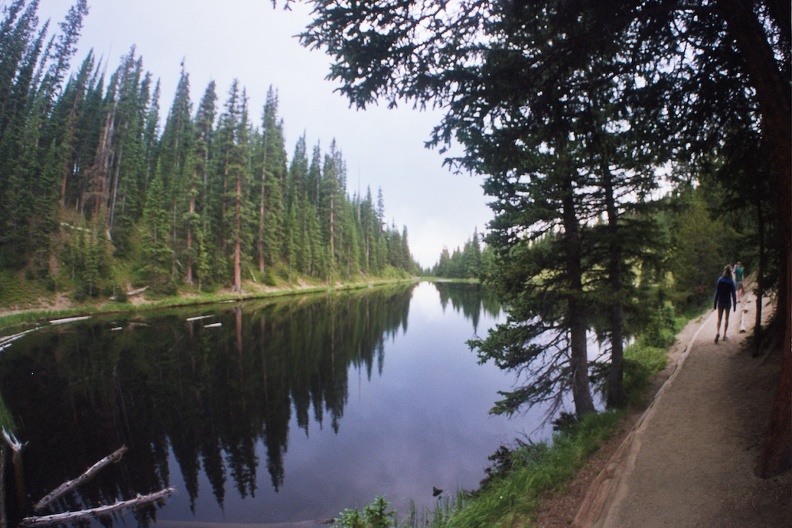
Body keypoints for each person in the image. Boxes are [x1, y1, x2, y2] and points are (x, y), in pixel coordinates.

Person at [713, 264, 737, 343]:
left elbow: (717, 292)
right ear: (730, 272)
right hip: (727, 302)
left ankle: (717, 332)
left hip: (720, 301)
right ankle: (724, 335)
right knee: (726, 319)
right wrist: (734, 305)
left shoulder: (720, 280)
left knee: (719, 319)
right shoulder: (731, 282)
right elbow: (733, 294)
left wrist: (715, 303)